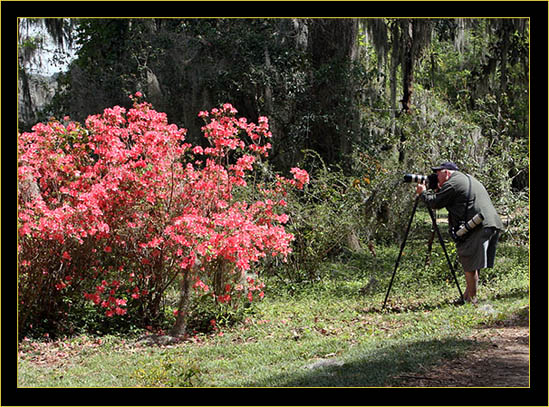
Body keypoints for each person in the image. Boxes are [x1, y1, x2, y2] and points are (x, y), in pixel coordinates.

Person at [415, 162, 504, 304]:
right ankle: (467, 296)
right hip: (489, 222)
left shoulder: (453, 183)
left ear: (446, 172)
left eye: (438, 173)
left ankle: (471, 300)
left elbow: (435, 203)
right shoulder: (465, 178)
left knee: (469, 262)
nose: (435, 177)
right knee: (473, 262)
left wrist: (423, 193)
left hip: (478, 225)